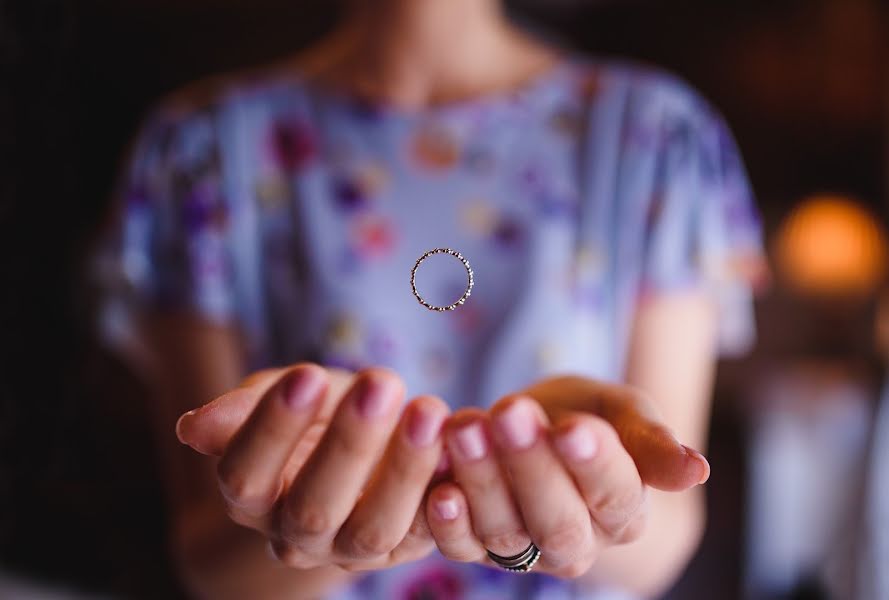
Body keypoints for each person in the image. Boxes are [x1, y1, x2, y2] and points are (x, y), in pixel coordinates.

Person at [98, 0, 764, 598]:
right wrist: (346, 509)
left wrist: (564, 502)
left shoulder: (656, 138)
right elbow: (210, 558)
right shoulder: (200, 150)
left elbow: (666, 529)